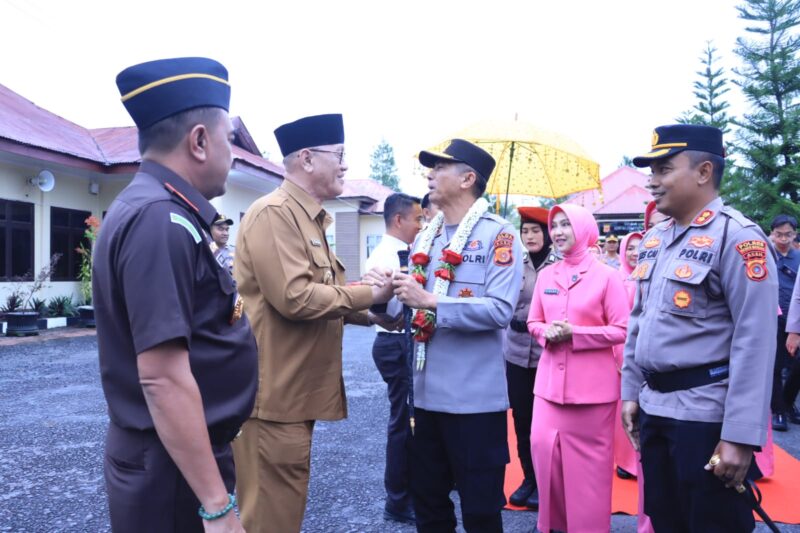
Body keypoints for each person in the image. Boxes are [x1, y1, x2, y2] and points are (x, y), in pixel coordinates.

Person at [94, 57, 257, 532]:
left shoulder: (164, 212)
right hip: (172, 472)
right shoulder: (160, 220)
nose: (233, 152)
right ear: (200, 141)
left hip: (177, 459)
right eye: (228, 139)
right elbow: (162, 378)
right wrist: (217, 507)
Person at [231, 113, 394, 533]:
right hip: (273, 399)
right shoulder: (275, 214)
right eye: (339, 155)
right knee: (268, 520)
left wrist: (372, 311)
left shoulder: (309, 218)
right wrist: (369, 294)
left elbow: (324, 291)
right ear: (306, 158)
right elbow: (296, 297)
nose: (344, 166)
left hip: (293, 396)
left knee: (283, 513)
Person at [622, 124, 778, 532]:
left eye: (663, 169)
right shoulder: (656, 239)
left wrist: (741, 436)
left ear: (704, 172)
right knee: (667, 521)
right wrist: (630, 392)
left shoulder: (738, 238)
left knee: (713, 524)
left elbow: (755, 341)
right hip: (655, 409)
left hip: (705, 419)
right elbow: (639, 322)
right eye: (650, 171)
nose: (652, 182)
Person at [388, 138, 524, 532]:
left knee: (481, 511)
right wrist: (387, 296)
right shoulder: (425, 240)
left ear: (467, 179)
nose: (429, 175)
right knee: (428, 505)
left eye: (440, 167)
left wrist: (430, 301)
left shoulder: (500, 237)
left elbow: (499, 309)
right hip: (427, 399)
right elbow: (406, 309)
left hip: (474, 405)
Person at [527, 203, 629, 533]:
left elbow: (622, 329)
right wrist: (546, 332)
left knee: (588, 476)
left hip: (592, 395)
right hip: (547, 391)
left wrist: (577, 334)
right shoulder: (546, 276)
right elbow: (534, 321)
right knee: (546, 459)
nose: (557, 232)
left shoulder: (607, 276)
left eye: (565, 225)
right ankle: (552, 526)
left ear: (584, 229)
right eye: (554, 226)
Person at [364, 192, 424, 524]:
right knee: (403, 422)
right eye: (417, 219)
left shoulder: (406, 251)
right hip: (394, 343)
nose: (421, 224)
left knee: (411, 421)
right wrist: (395, 320)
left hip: (403, 342)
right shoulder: (385, 257)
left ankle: (408, 490)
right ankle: (398, 500)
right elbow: (375, 309)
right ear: (399, 220)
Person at [504, 206, 556, 509]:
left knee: (545, 424)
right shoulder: (514, 264)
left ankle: (548, 483)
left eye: (536, 230)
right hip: (515, 353)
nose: (530, 236)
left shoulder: (559, 265)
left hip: (547, 356)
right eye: (525, 231)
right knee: (522, 420)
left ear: (547, 234)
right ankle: (529, 479)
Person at [770, 214, 800, 429]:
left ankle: (788, 402)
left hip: (795, 318)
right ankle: (778, 409)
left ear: (795, 235)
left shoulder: (798, 258)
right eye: (779, 234)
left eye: (788, 234)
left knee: (796, 365)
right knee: (775, 365)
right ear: (772, 234)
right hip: (772, 318)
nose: (783, 238)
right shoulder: (764, 255)